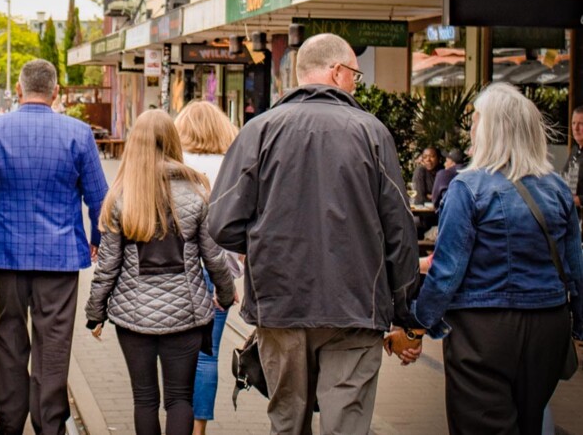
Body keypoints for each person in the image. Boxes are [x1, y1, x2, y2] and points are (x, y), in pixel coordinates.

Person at [207, 33, 421, 435]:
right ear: (337, 71)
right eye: (355, 74)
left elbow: (220, 222)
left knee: (287, 421)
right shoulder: (373, 133)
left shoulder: (259, 131)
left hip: (280, 303)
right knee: (347, 421)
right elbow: (400, 233)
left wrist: (264, 246)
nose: (357, 83)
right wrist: (404, 311)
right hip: (357, 307)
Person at [411, 83, 583, 435]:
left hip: (483, 330)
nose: (471, 129)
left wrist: (418, 322)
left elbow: (447, 271)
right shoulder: (557, 188)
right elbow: (575, 268)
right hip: (548, 327)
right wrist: (578, 325)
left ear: (490, 130)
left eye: (476, 121)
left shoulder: (468, 187)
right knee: (529, 422)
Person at [0, 59, 108, 435]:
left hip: (8, 253)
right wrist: (97, 239)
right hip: (61, 258)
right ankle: (50, 425)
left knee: (9, 334)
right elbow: (100, 197)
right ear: (55, 93)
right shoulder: (78, 133)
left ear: (19, 91)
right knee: (53, 342)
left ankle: (9, 423)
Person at [85, 110, 235, 435]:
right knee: (180, 399)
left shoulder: (120, 198)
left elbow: (107, 267)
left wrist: (95, 313)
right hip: (187, 314)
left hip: (132, 316)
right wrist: (225, 295)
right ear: (172, 141)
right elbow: (214, 258)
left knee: (144, 399)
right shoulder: (197, 192)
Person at [172, 101, 242, 435]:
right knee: (207, 353)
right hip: (219, 272)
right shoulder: (234, 166)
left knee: (172, 351)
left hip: (174, 271)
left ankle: (176, 421)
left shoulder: (172, 164)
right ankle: (198, 429)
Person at [431, 148, 466, 214]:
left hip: (448, 214)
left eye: (446, 161)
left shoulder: (443, 174)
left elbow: (435, 200)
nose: (444, 164)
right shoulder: (472, 173)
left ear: (452, 163)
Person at [562, 105, 583, 212]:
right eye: (574, 123)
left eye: (581, 124)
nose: (576, 128)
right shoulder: (575, 150)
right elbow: (565, 176)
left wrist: (579, 200)